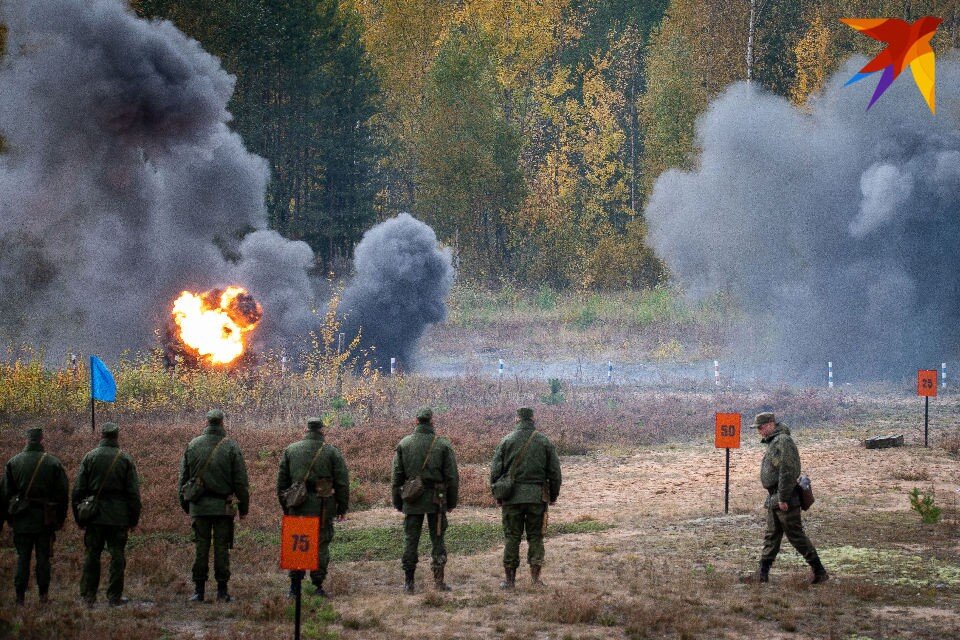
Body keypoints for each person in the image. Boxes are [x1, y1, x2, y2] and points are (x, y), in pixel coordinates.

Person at [743, 412, 828, 584]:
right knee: (771, 536)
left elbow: (788, 470)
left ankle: (819, 571)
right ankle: (762, 574)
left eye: (760, 427)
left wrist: (783, 497)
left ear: (770, 424)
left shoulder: (782, 441)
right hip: (775, 497)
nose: (759, 431)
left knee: (795, 535)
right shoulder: (776, 441)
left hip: (784, 497)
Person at [178, 409, 249, 602]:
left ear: (207, 422)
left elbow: (183, 479)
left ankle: (199, 591)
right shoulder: (231, 447)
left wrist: (186, 504)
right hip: (223, 507)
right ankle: (222, 591)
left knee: (201, 548)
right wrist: (243, 509)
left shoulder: (193, 445)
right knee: (221, 548)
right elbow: (241, 482)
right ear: (222, 423)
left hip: (199, 507)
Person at [277, 416, 349, 598]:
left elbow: (281, 484)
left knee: (297, 543)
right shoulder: (331, 452)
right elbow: (342, 483)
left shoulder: (291, 450)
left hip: (297, 504)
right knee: (321, 544)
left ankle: (295, 586)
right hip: (323, 506)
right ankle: (317, 585)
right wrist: (342, 508)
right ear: (321, 430)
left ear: (306, 429)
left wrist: (287, 506)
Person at [490, 407, 561, 589]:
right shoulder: (543, 441)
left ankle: (510, 581)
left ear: (517, 419)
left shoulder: (506, 441)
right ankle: (536, 580)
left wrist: (498, 494)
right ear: (533, 418)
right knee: (536, 537)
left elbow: (495, 472)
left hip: (511, 497)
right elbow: (554, 473)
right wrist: (552, 496)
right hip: (537, 498)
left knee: (512, 537)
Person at [72, 422, 142, 606]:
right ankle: (114, 596)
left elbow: (78, 490)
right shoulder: (125, 459)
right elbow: (133, 494)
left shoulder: (90, 457)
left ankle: (89, 596)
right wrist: (133, 519)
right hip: (118, 516)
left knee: (92, 555)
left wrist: (79, 517)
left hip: (94, 515)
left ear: (101, 436)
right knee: (117, 556)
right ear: (116, 436)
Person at [391, 407, 459, 593]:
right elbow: (452, 477)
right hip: (437, 501)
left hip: (411, 500)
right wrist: (451, 503)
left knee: (410, 540)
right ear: (432, 421)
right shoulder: (442, 445)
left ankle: (409, 583)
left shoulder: (404, 444)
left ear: (416, 421)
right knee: (438, 539)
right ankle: (438, 582)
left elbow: (396, 478)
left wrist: (398, 502)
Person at [3, 426, 69, 605]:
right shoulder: (53, 463)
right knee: (43, 558)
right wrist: (60, 519)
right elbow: (62, 494)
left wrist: (9, 519)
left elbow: (5, 495)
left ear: (26, 440)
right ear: (42, 440)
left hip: (21, 519)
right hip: (44, 520)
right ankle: (43, 595)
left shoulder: (13, 462)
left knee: (22, 558)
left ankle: (19, 597)